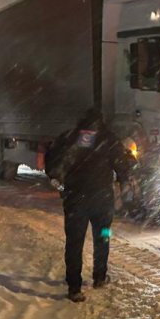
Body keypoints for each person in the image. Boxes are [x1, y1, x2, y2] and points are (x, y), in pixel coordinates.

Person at [46, 107, 134, 303]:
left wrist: (58, 182)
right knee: (103, 236)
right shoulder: (109, 140)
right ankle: (100, 277)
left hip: (75, 200)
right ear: (101, 122)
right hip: (102, 201)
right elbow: (122, 165)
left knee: (74, 243)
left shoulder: (69, 138)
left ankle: (74, 287)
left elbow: (52, 161)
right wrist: (124, 181)